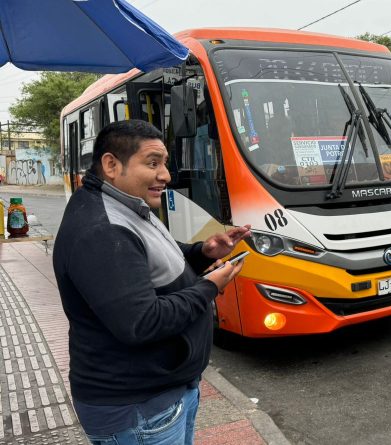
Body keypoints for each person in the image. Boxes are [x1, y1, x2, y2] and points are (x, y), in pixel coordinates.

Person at [53, 120, 251, 445]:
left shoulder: (125, 205)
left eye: (165, 163)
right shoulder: (103, 230)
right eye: (153, 163)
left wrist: (203, 252)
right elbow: (142, 322)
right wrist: (209, 287)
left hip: (161, 397)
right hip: (139, 411)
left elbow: (152, 262)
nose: (166, 175)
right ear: (111, 165)